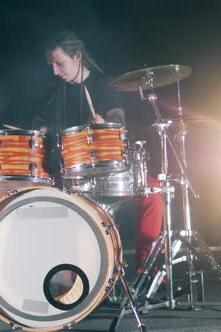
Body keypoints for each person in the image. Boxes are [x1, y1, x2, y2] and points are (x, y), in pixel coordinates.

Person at [36, 31, 164, 269]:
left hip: (108, 173)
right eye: (51, 65)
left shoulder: (106, 84)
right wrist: (42, 128)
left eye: (59, 63)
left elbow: (118, 118)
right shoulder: (55, 91)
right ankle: (71, 274)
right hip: (69, 176)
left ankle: (148, 270)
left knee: (153, 194)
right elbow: (37, 125)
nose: (54, 71)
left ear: (77, 56)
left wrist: (107, 124)